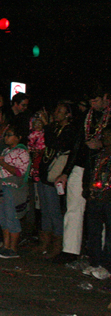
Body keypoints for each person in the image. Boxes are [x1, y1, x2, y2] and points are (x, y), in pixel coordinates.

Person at [55, 85, 110, 263]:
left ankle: (99, 253)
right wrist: (65, 172)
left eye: (96, 100)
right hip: (82, 165)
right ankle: (70, 249)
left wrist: (102, 144)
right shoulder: (87, 117)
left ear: (105, 97)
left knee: (100, 212)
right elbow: (77, 145)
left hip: (103, 169)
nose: (93, 105)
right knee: (73, 208)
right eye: (91, 102)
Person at [34, 102, 76, 257]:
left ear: (68, 115)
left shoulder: (69, 130)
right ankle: (44, 242)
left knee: (54, 210)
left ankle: (57, 244)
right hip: (46, 172)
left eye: (60, 111)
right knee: (45, 210)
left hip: (54, 174)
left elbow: (55, 144)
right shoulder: (56, 128)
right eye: (56, 110)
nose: (56, 113)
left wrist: (46, 125)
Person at [0, 124, 31, 258]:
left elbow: (20, 172)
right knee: (2, 217)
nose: (6, 137)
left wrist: (3, 164)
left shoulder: (22, 152)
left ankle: (13, 249)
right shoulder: (6, 151)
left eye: (9, 135)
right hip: (0, 185)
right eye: (5, 135)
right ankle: (5, 246)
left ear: (18, 137)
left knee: (12, 216)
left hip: (11, 187)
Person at [82, 126, 111, 280]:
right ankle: (95, 262)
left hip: (108, 198)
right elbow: (91, 174)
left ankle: (107, 266)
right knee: (93, 230)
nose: (105, 138)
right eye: (104, 135)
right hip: (95, 197)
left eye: (108, 135)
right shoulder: (99, 155)